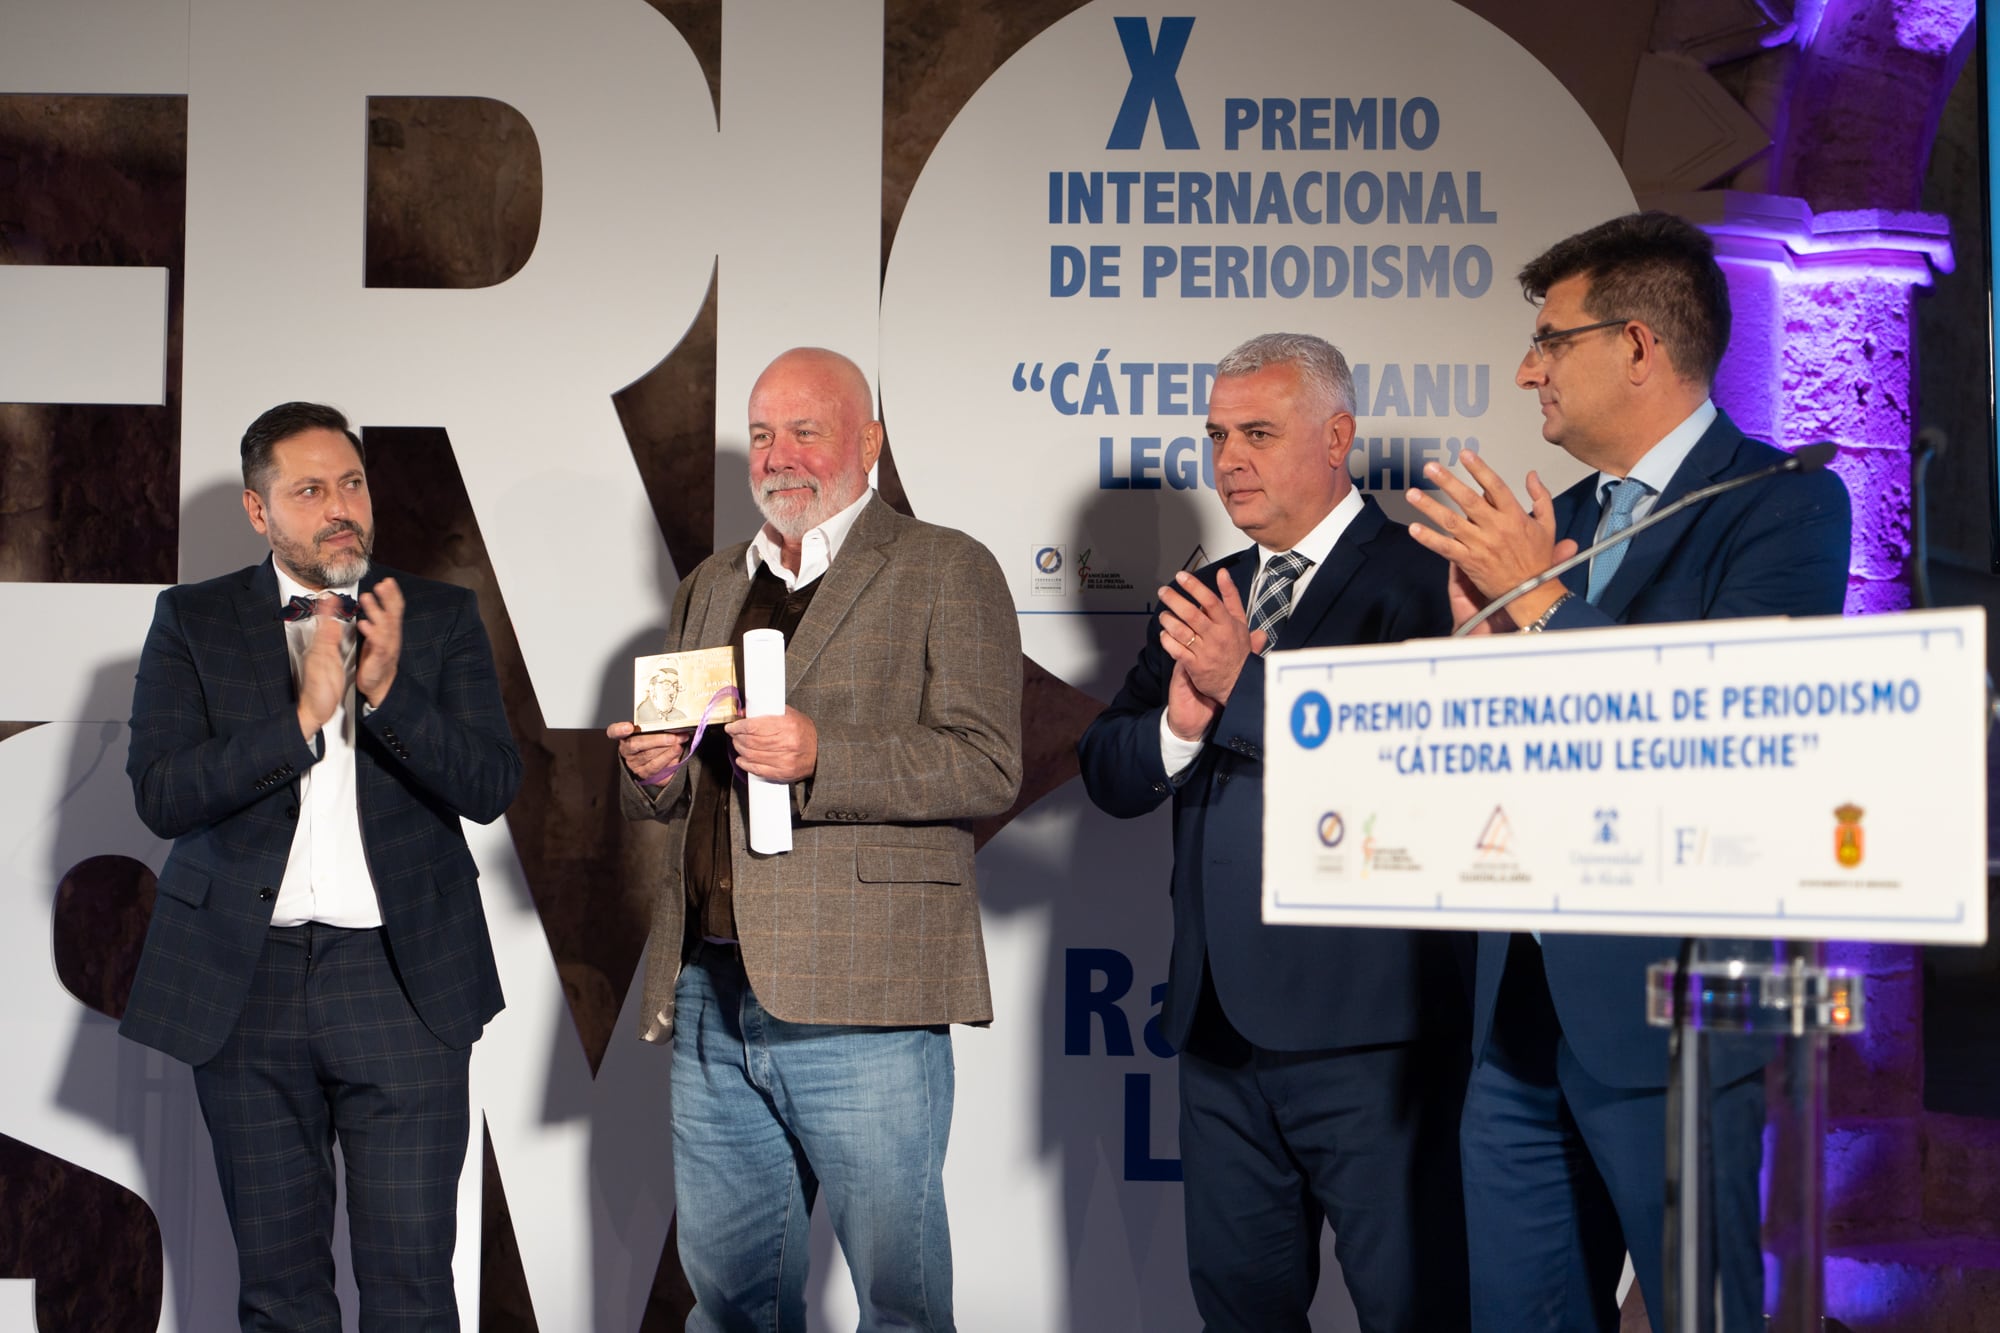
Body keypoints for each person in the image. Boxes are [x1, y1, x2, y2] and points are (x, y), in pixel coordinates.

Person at [1404, 211, 1852, 1330]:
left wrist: (1542, 603)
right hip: (1516, 1004)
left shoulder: (1781, 498)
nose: (1525, 369)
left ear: (1638, 346)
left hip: (1676, 1003)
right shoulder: (1560, 522)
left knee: (1701, 1310)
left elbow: (1728, 723)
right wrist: (1477, 647)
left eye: (1550, 340)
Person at [608, 347, 1022, 1333]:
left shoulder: (943, 566)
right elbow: (678, 793)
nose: (779, 455)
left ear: (869, 441)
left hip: (861, 994)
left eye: (806, 430)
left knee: (899, 1304)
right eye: (761, 435)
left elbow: (985, 765)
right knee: (733, 1303)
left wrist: (821, 756)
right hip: (709, 988)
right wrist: (654, 775)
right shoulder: (711, 583)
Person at [1076, 332, 1471, 1332]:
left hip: (1373, 1034)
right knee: (1240, 1310)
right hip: (1216, 1033)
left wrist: (1237, 689)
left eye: (1256, 432)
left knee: (1413, 1308)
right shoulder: (1203, 588)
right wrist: (1180, 724)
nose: (1227, 460)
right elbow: (1106, 768)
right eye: (1215, 435)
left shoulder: (1428, 581)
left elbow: (1415, 774)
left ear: (1336, 437)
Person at [121, 401, 520, 1331]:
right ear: (261, 512)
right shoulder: (192, 619)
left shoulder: (441, 615)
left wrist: (382, 694)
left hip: (401, 983)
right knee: (279, 1294)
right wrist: (301, 720)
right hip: (243, 981)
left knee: (414, 1290)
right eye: (310, 490)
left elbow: (491, 783)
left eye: (351, 482)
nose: (341, 506)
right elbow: (162, 793)